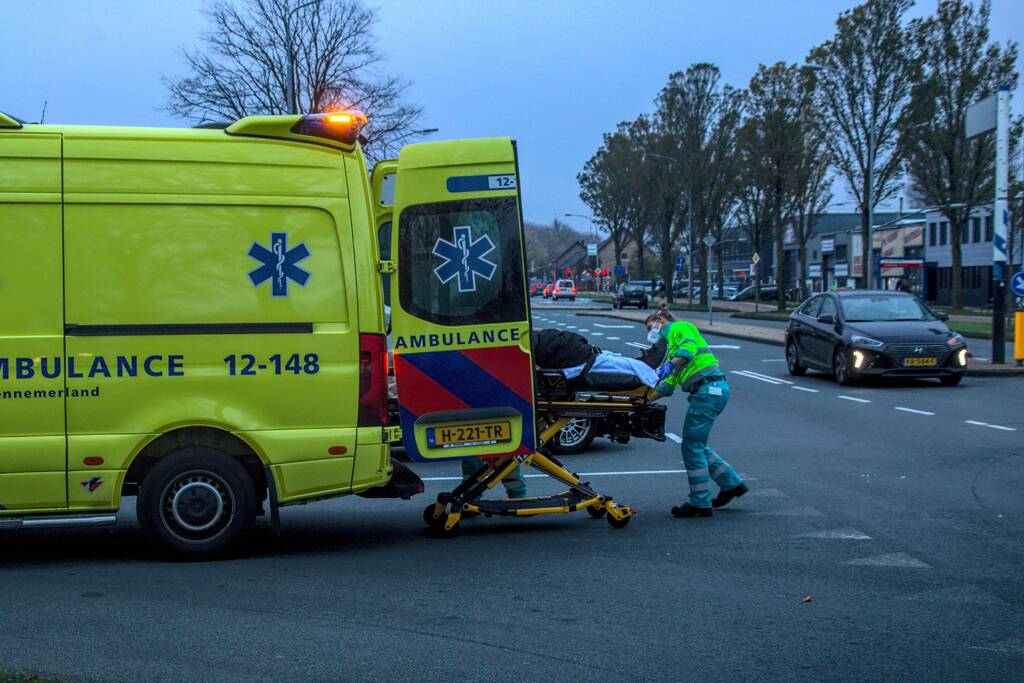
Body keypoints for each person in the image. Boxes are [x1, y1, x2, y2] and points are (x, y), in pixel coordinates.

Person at [644, 312, 748, 517]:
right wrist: (643, 400)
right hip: (711, 390)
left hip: (707, 390)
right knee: (697, 445)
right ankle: (732, 484)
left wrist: (670, 365)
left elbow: (688, 350)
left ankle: (700, 502)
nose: (651, 333)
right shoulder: (672, 346)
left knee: (691, 447)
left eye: (650, 328)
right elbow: (668, 385)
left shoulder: (678, 327)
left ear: (660, 321)